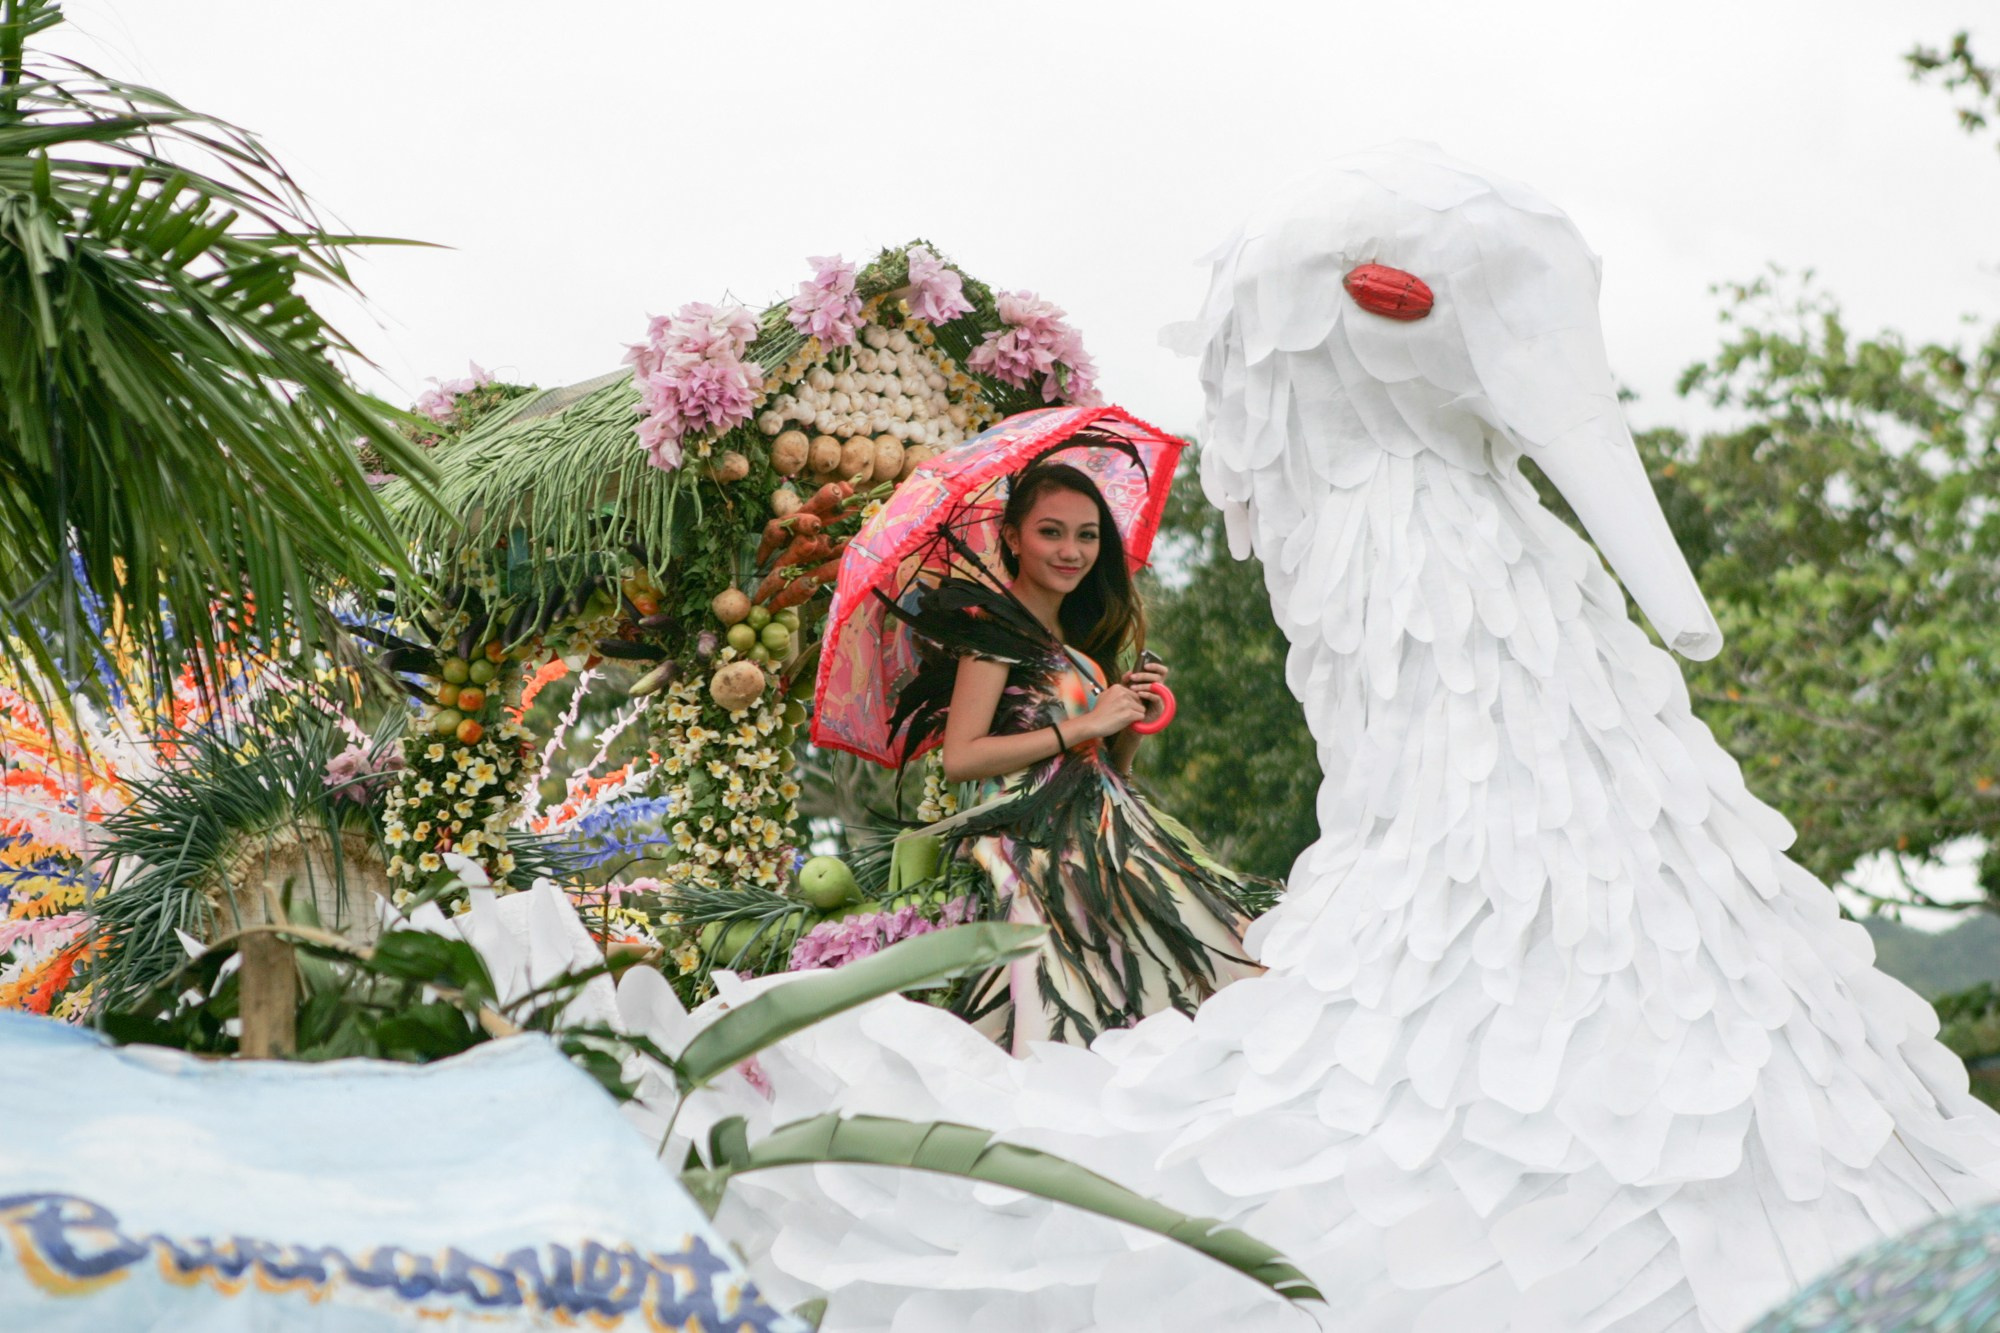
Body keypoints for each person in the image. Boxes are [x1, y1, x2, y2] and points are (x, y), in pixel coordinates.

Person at [885, 460, 1261, 1053]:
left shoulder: (1079, 654)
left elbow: (1110, 771)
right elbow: (961, 758)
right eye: (1051, 531)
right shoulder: (993, 636)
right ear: (1012, 537)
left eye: (1087, 535)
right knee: (1073, 1011)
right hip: (1038, 850)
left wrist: (1127, 721)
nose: (1072, 551)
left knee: (1192, 980)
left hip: (1111, 839)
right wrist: (1087, 723)